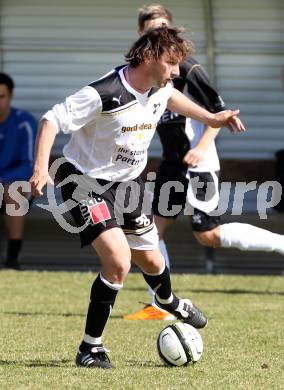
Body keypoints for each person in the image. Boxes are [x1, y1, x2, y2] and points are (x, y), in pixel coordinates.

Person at [30, 26, 244, 369]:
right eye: (171, 63)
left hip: (125, 186)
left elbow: (171, 97)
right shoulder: (106, 92)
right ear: (148, 57)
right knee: (118, 262)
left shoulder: (160, 87)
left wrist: (210, 117)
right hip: (81, 181)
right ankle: (91, 348)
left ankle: (168, 299)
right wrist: (41, 168)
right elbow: (50, 120)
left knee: (154, 263)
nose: (177, 71)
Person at [124, 4, 284, 321]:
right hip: (172, 164)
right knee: (150, 233)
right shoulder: (142, 74)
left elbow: (218, 115)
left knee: (208, 234)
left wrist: (200, 147)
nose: (158, 34)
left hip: (198, 163)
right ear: (141, 34)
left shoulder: (189, 69)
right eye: (152, 29)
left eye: (164, 28)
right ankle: (160, 304)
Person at [0, 73, 37, 269]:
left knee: (13, 190)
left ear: (11, 96)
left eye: (1, 96)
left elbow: (29, 165)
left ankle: (12, 258)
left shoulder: (24, 122)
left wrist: (3, 179)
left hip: (14, 185)